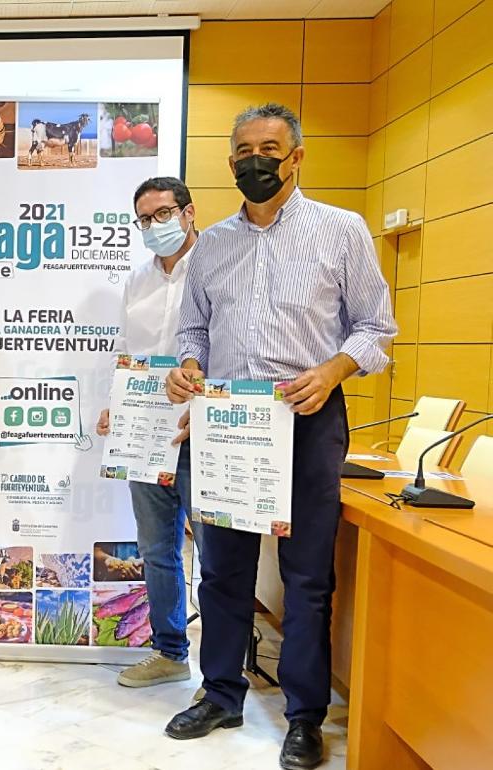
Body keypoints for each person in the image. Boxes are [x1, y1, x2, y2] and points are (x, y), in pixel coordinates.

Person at [161, 104, 396, 770]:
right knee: (222, 571)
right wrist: (188, 365)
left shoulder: (341, 230)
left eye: (269, 148)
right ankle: (220, 693)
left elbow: (376, 327)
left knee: (307, 578)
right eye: (243, 151)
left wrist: (334, 369)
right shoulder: (211, 245)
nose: (255, 160)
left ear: (296, 157)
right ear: (230, 161)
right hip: (230, 425)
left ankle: (303, 716)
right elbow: (194, 329)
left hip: (308, 419)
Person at [95, 177, 202, 688]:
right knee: (158, 550)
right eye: (145, 219)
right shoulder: (137, 280)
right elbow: (127, 351)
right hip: (145, 434)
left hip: (202, 430)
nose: (155, 225)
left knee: (216, 557)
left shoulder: (216, 269)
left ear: (188, 212)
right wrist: (114, 406)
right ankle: (169, 651)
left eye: (163, 214)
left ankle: (221, 674)